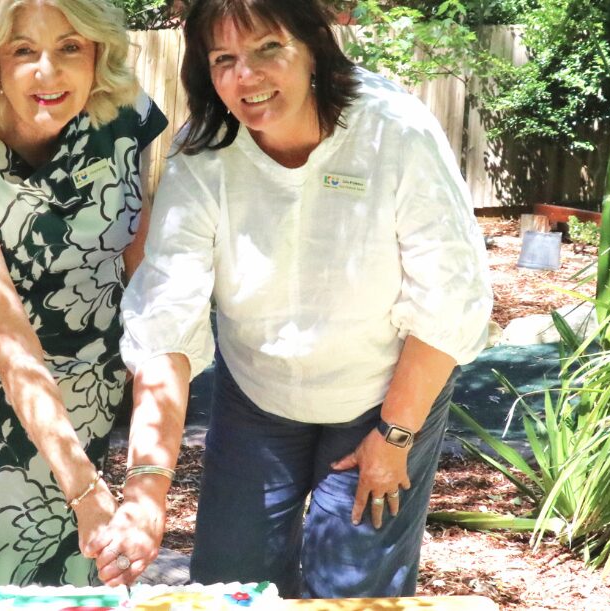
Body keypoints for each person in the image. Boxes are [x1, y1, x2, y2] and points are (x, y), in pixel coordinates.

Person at [104, 0, 492, 599]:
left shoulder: (396, 130)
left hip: (384, 393)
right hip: (258, 393)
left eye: (268, 50)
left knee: (353, 592)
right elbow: (165, 314)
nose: (246, 77)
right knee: (227, 587)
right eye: (224, 59)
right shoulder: (202, 154)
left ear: (314, 47)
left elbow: (450, 294)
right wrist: (147, 487)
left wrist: (395, 437)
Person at [0, 0, 167, 599]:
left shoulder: (125, 115)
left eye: (70, 46)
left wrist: (151, 400)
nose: (49, 71)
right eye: (24, 50)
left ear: (98, 52)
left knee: (78, 555)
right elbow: (12, 352)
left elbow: (143, 265)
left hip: (86, 355)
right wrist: (88, 490)